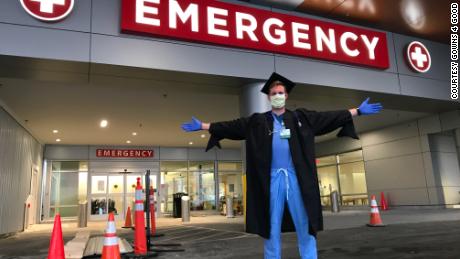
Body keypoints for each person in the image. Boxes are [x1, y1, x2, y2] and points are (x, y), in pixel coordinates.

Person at [181, 72, 383, 259]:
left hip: (297, 178)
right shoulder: (258, 121)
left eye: (280, 93)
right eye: (273, 93)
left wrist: (357, 111)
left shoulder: (300, 118)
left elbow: (328, 117)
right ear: (269, 98)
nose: (277, 95)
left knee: (305, 223)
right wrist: (204, 126)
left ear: (286, 96)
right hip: (271, 180)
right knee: (272, 225)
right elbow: (233, 125)